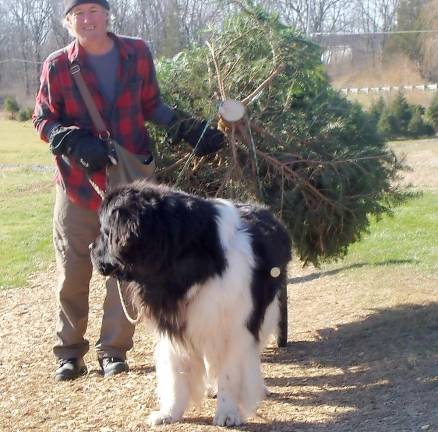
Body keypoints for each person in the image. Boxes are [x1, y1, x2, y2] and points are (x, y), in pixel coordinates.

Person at [33, 0, 224, 381]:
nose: (87, 20)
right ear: (69, 22)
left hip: (131, 186)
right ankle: (69, 352)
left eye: (94, 12)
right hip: (78, 186)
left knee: (128, 267)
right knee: (73, 271)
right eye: (78, 14)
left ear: (107, 15)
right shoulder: (57, 65)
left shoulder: (136, 52)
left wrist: (186, 130)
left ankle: (114, 350)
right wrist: (67, 139)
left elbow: (152, 105)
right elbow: (42, 117)